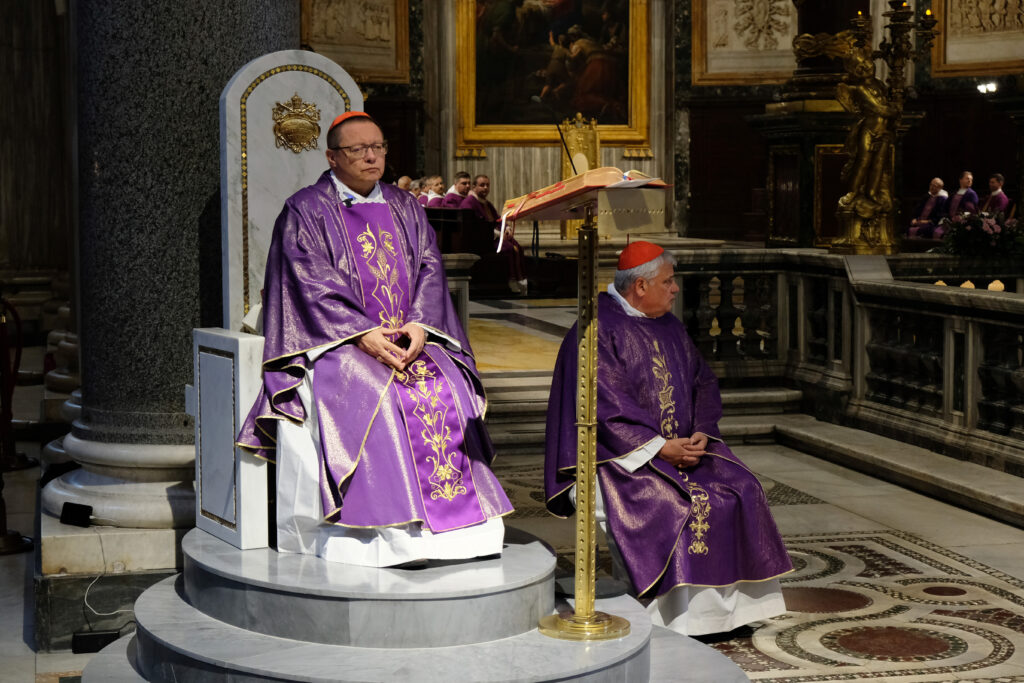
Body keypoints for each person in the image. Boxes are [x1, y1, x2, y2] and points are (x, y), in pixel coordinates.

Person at [237, 112, 513, 567]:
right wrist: (360, 332)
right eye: (358, 149)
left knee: (448, 385)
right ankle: (392, 532)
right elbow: (305, 281)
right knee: (380, 396)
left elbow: (429, 266)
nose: (371, 157)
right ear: (332, 157)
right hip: (338, 341)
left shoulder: (406, 206)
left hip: (408, 336)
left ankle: (463, 530)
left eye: (378, 147)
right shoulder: (305, 210)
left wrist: (421, 324)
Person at [545, 241, 792, 637]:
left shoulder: (669, 325)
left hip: (683, 448)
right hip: (620, 458)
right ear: (640, 286)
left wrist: (701, 433)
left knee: (741, 488)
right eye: (668, 281)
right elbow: (604, 406)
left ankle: (726, 614)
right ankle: (675, 617)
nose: (675, 288)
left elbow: (703, 382)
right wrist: (660, 448)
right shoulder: (595, 330)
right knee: (674, 502)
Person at [460, 174, 527, 295]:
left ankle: (521, 279)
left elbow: (498, 220)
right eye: (482, 185)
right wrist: (499, 234)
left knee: (518, 247)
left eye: (487, 185)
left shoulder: (486, 203)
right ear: (474, 187)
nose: (485, 188)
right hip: (481, 241)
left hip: (493, 237)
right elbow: (475, 227)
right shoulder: (469, 203)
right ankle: (511, 280)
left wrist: (506, 228)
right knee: (509, 248)